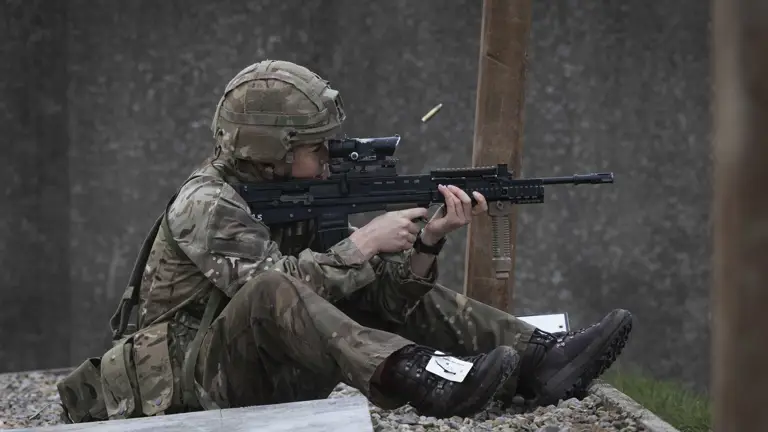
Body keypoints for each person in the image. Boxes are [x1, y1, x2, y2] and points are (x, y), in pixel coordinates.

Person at [56, 60, 633, 423]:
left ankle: (539, 358)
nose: (330, 157)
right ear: (271, 150)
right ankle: (425, 376)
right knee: (279, 287)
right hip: (189, 386)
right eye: (316, 148)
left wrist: (425, 244)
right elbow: (276, 293)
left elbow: (366, 297)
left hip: (258, 369)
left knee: (355, 276)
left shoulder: (289, 193)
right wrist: (363, 246)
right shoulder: (207, 205)